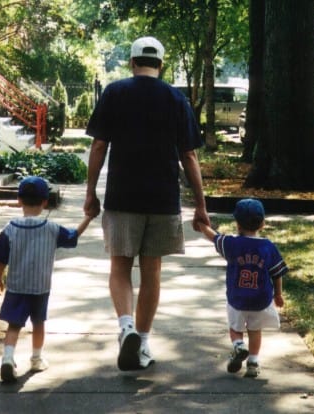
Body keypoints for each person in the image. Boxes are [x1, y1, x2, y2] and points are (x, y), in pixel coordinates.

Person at [83, 36, 210, 371]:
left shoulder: (115, 92)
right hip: (163, 198)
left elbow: (98, 147)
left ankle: (126, 328)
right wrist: (200, 205)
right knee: (152, 271)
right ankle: (144, 342)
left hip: (122, 195)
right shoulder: (176, 98)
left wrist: (90, 192)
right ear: (161, 65)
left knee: (120, 267)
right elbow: (189, 155)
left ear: (132, 62)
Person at [0, 176, 93, 382]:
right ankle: (36, 359)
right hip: (40, 287)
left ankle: (7, 358)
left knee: (14, 325)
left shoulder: (10, 228)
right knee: (39, 323)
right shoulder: (51, 228)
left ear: (19, 200)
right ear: (45, 201)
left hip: (16, 286)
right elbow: (73, 236)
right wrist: (88, 218)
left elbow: (1, 258)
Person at [197, 198, 288, 377]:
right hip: (260, 299)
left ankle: (239, 345)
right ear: (262, 223)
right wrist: (278, 294)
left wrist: (201, 224)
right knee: (255, 330)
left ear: (237, 224)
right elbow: (277, 273)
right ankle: (253, 362)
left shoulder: (232, 244)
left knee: (235, 328)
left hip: (237, 298)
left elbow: (213, 237)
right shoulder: (267, 247)